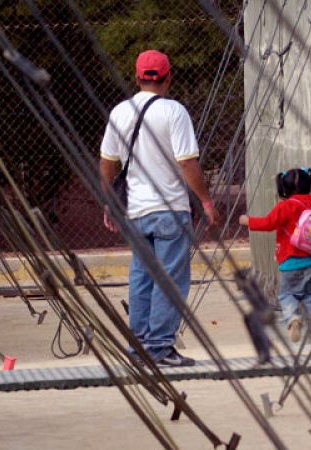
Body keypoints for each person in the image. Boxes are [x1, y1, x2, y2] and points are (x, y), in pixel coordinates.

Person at [99, 49, 219, 367]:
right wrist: (205, 200)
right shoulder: (174, 111)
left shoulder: (119, 113)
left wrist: (110, 203)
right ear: (168, 78)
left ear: (137, 77)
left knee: (141, 276)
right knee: (170, 278)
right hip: (170, 209)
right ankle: (160, 346)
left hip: (136, 212)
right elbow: (187, 162)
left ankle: (138, 345)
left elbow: (107, 164)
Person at [239, 167, 311, 342]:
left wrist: (248, 221)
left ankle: (293, 318)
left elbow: (268, 223)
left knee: (287, 295)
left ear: (284, 188)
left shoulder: (286, 206)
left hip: (290, 262)